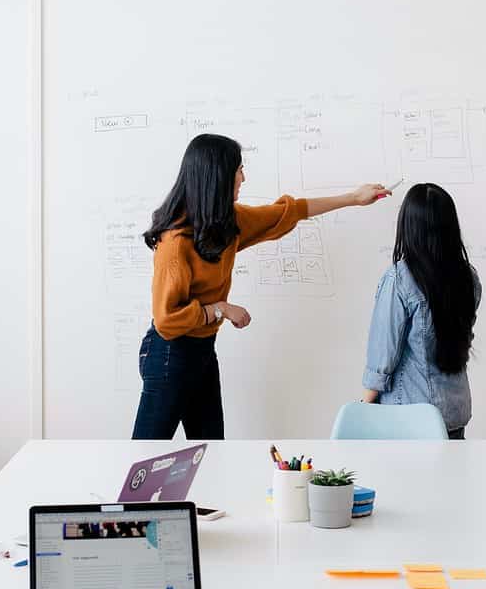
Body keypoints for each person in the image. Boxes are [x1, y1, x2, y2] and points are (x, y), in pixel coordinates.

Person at [133, 133, 389, 440]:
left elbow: (289, 211)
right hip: (168, 354)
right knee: (147, 458)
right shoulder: (175, 243)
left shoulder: (226, 223)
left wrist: (353, 198)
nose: (244, 177)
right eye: (238, 170)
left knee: (212, 453)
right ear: (217, 176)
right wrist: (220, 309)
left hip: (202, 351)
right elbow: (166, 321)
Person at [360, 183, 481, 439]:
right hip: (454, 413)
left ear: (409, 226)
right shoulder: (467, 277)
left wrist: (362, 409)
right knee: (447, 479)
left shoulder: (400, 279)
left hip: (409, 417)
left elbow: (383, 358)